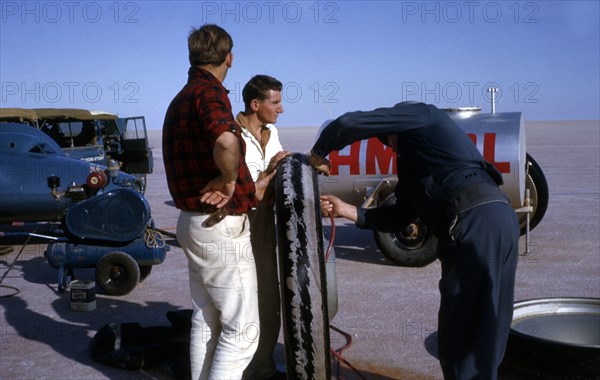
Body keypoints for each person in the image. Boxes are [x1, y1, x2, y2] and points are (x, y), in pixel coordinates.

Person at [309, 101, 520, 380]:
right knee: (488, 326)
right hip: (500, 220)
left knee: (464, 332)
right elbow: (401, 216)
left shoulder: (423, 115)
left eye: (391, 142)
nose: (392, 149)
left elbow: (349, 122)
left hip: (473, 223)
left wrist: (319, 152)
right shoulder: (418, 161)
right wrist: (347, 211)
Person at [162, 24, 275, 380]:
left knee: (206, 320)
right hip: (220, 229)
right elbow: (226, 143)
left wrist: (254, 180)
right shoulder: (209, 94)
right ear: (229, 58)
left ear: (193, 56)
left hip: (192, 224)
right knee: (242, 332)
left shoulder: (179, 99)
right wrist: (229, 182)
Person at [235, 75, 290, 380]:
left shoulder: (273, 132)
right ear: (256, 104)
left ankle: (264, 367)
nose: (281, 109)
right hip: (240, 230)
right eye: (276, 102)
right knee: (242, 303)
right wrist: (270, 170)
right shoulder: (233, 136)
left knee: (269, 300)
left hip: (265, 230)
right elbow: (241, 189)